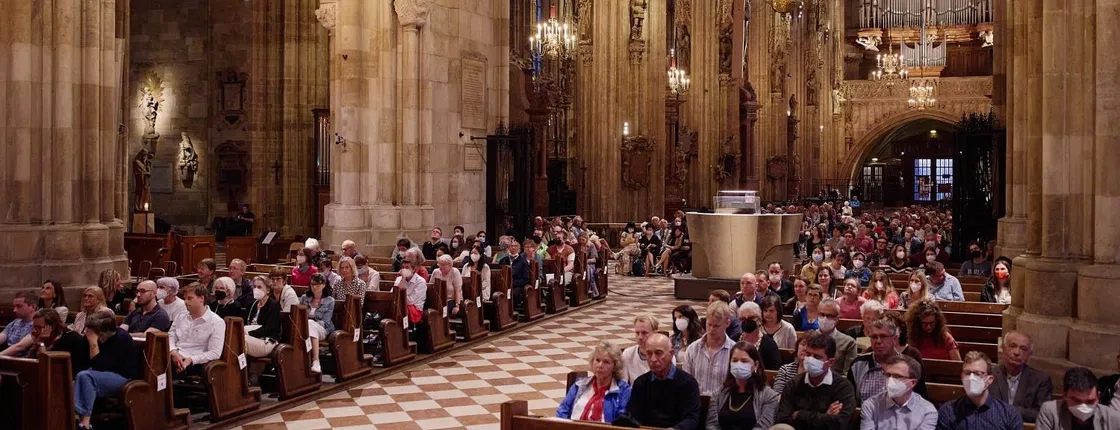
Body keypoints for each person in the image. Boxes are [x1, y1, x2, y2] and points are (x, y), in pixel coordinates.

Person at [773, 331, 858, 430]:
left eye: (817, 357)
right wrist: (825, 416)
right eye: (808, 354)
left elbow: (839, 424)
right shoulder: (793, 384)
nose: (810, 360)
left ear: (831, 362)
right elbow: (783, 421)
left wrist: (800, 414)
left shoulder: (843, 387)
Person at [74, 311, 139, 430]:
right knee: (80, 376)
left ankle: (85, 423)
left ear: (103, 333)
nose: (87, 333)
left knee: (85, 377)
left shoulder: (121, 338)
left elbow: (101, 366)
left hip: (122, 377)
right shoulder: (90, 335)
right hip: (98, 374)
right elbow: (82, 361)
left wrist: (93, 343)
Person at [628, 333, 701, 429]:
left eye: (658, 353)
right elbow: (635, 417)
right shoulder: (641, 383)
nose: (653, 359)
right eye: (649, 354)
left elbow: (691, 418)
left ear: (671, 354)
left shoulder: (688, 383)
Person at [936, 351, 1023, 430]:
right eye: (967, 373)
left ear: (989, 379)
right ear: (962, 376)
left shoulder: (1009, 414)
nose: (971, 378)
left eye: (978, 374)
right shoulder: (949, 411)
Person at [848, 318, 926, 403]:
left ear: (895, 339)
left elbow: (920, 401)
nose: (878, 341)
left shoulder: (910, 366)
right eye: (874, 337)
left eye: (883, 336)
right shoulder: (858, 365)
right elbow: (850, 401)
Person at [705, 342, 780, 430]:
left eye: (744, 361)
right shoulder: (719, 393)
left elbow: (763, 427)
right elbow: (712, 425)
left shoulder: (768, 396)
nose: (738, 365)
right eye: (735, 360)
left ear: (755, 365)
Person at [556, 341, 632, 423]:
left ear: (615, 366)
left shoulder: (623, 390)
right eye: (597, 360)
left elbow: (621, 422)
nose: (600, 365)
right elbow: (562, 412)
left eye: (606, 362)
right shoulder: (579, 385)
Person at [858, 355, 937, 430]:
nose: (890, 380)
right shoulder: (870, 406)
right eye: (888, 375)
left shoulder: (928, 412)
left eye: (897, 376)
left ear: (913, 382)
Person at [990, 331, 1053, 423]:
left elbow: (1042, 413)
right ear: (1003, 348)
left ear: (1029, 355)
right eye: (1012, 346)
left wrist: (1008, 410)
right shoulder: (990, 374)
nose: (1017, 352)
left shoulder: (1041, 380)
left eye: (1023, 349)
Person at [0, 307, 90, 371]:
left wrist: (41, 343)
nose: (35, 330)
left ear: (52, 327)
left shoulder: (72, 340)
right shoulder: (39, 338)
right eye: (34, 326)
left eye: (39, 327)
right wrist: (34, 347)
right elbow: (29, 365)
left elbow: (48, 367)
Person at [168, 283, 226, 377]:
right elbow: (170, 336)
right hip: (174, 356)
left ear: (201, 299)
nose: (185, 302)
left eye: (189, 298)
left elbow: (214, 353)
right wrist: (173, 352)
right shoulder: (180, 316)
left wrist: (191, 360)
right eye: (185, 299)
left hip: (195, 362)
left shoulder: (217, 322)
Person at [1038, 367, 1120, 430]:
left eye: (1090, 401)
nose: (1083, 407)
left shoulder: (1113, 418)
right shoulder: (1050, 411)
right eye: (1077, 401)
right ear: (1065, 396)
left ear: (1098, 396)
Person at [684, 301, 737, 395]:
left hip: (722, 404)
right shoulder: (693, 349)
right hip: (697, 403)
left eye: (716, 326)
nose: (711, 330)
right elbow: (686, 382)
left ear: (727, 323)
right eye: (709, 324)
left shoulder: (734, 350)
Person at [301, 273, 335, 374]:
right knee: (308, 324)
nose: (314, 287)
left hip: (322, 329)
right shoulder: (304, 298)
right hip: (305, 328)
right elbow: (299, 314)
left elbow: (326, 322)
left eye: (317, 284)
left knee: (310, 323)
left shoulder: (329, 301)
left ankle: (316, 361)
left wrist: (310, 320)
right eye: (312, 284)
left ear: (324, 285)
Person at [817, 298, 859, 377]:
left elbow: (848, 373)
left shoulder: (849, 342)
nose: (825, 318)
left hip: (836, 385)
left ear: (837, 319)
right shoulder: (809, 338)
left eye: (829, 316)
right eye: (822, 315)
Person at [737, 301, 783, 371]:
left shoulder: (769, 345)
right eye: (743, 319)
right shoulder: (735, 340)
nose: (747, 322)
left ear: (759, 319)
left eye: (751, 318)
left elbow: (774, 372)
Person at [243, 276, 282, 358]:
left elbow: (270, 328)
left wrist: (249, 333)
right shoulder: (252, 304)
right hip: (253, 336)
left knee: (241, 339)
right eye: (254, 287)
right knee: (235, 337)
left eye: (259, 287)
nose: (256, 289)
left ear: (268, 289)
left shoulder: (274, 305)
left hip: (267, 341)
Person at [621, 314, 661, 384]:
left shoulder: (665, 354)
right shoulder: (628, 354)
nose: (640, 337)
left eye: (644, 333)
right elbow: (623, 383)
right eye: (637, 333)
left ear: (655, 333)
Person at [396, 259, 428, 325]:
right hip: (400, 306)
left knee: (398, 309)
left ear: (413, 269)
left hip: (415, 310)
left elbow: (410, 301)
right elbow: (393, 295)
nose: (404, 270)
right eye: (403, 268)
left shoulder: (420, 281)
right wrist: (402, 280)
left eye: (407, 267)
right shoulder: (399, 279)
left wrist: (402, 280)